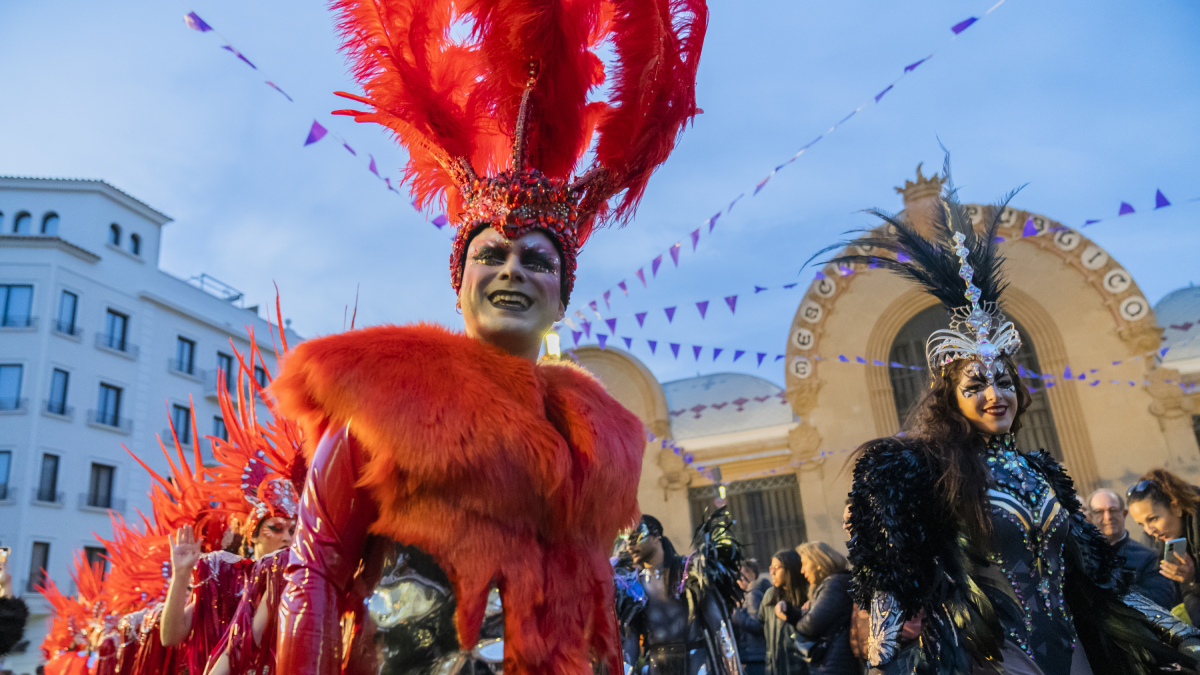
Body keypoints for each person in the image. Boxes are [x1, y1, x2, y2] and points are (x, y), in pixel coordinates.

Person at [272, 1, 708, 671]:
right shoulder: (380, 400)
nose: (512, 271)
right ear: (460, 278)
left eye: (536, 259)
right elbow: (316, 570)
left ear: (560, 296)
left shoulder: (598, 441)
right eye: (492, 254)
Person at [829, 160, 1200, 674]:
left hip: (1072, 654)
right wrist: (881, 659)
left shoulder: (1042, 472)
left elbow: (1099, 579)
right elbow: (888, 577)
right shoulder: (926, 473)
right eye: (975, 385)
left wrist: (1179, 634)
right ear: (949, 399)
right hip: (991, 656)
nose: (995, 394)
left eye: (1003, 381)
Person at [619, 513, 745, 674]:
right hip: (657, 666)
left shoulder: (689, 572)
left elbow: (719, 628)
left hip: (695, 664)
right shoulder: (633, 586)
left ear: (656, 535)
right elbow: (631, 639)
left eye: (635, 538)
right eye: (625, 541)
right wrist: (626, 668)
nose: (629, 546)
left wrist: (732, 670)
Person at [1127, 469, 1200, 623]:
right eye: (1141, 524)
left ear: (1176, 507)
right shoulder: (1156, 544)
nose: (1149, 530)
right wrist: (1190, 580)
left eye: (1153, 519)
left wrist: (1194, 580)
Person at [1088, 488, 1178, 609]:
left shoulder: (1149, 556)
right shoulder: (1081, 555)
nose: (1108, 517)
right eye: (1099, 511)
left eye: (1113, 510)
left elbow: (1162, 600)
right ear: (1089, 517)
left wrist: (1116, 586)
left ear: (1124, 514)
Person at [778, 543, 854, 675]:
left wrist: (800, 618)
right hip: (833, 660)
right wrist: (792, 612)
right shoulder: (834, 583)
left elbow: (811, 624)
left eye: (805, 564)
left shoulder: (834, 585)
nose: (802, 570)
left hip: (835, 663)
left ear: (818, 562)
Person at [760, 550, 808, 675]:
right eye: (771, 568)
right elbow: (761, 623)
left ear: (791, 569)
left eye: (777, 568)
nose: (772, 572)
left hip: (801, 668)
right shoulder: (770, 596)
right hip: (775, 667)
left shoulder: (807, 595)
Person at [733, 559, 773, 675]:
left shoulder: (753, 594)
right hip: (756, 655)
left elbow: (757, 625)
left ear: (751, 574)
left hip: (754, 656)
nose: (738, 579)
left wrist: (737, 615)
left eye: (741, 574)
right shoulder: (754, 593)